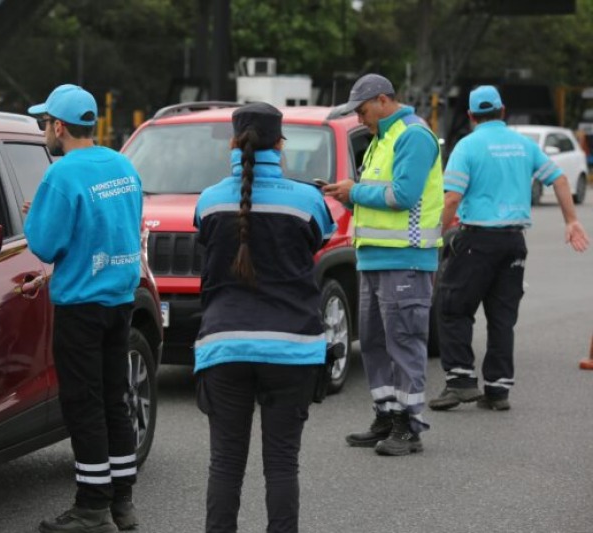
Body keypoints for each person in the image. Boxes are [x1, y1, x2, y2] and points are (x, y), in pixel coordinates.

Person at [193, 102, 335, 533]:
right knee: (281, 465)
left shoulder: (208, 201)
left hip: (223, 345)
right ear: (280, 143)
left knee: (225, 465)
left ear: (234, 144)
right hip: (292, 348)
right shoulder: (308, 201)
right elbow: (320, 239)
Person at [24, 84, 143, 533]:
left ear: (59, 126)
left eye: (44, 123)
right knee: (116, 398)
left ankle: (92, 506)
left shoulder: (62, 175)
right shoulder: (123, 165)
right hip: (120, 299)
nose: (44, 131)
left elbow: (44, 243)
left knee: (84, 403)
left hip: (81, 304)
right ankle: (122, 501)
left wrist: (34, 214)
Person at [428, 85, 589, 412]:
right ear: (503, 111)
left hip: (476, 241)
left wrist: (434, 236)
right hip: (514, 242)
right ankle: (498, 390)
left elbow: (452, 197)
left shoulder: (467, 146)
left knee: (453, 307)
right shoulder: (524, 146)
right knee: (502, 317)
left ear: (471, 116)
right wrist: (570, 221)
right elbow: (558, 180)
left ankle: (460, 382)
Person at [323, 73, 444, 456]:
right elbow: (380, 199)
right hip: (375, 258)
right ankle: (386, 416)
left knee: (404, 342)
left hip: (405, 260)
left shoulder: (412, 135)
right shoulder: (382, 138)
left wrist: (353, 191)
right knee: (375, 343)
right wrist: (348, 197)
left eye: (362, 111)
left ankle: (410, 426)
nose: (360, 119)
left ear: (382, 100)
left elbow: (403, 195)